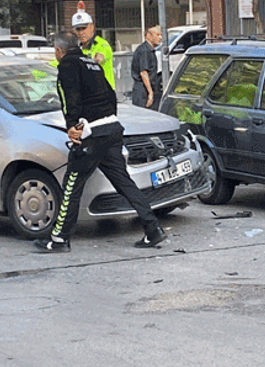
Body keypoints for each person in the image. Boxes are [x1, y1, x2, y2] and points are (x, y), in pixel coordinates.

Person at [33, 31, 166, 253]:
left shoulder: (67, 65)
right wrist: (108, 120)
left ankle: (59, 239)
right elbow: (110, 94)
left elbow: (69, 100)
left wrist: (73, 127)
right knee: (124, 182)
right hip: (111, 128)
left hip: (92, 134)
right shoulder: (90, 63)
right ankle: (153, 229)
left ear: (59, 50)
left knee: (71, 185)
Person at [72, 8, 115, 89]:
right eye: (78, 29)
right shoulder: (77, 48)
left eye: (84, 28)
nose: (81, 33)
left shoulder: (101, 44)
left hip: (104, 94)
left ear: (92, 27)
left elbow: (98, 59)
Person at [131, 25, 163, 110]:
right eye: (157, 34)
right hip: (143, 91)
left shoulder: (149, 50)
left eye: (161, 35)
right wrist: (150, 93)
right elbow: (143, 72)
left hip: (147, 90)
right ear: (148, 36)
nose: (160, 37)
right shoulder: (144, 51)